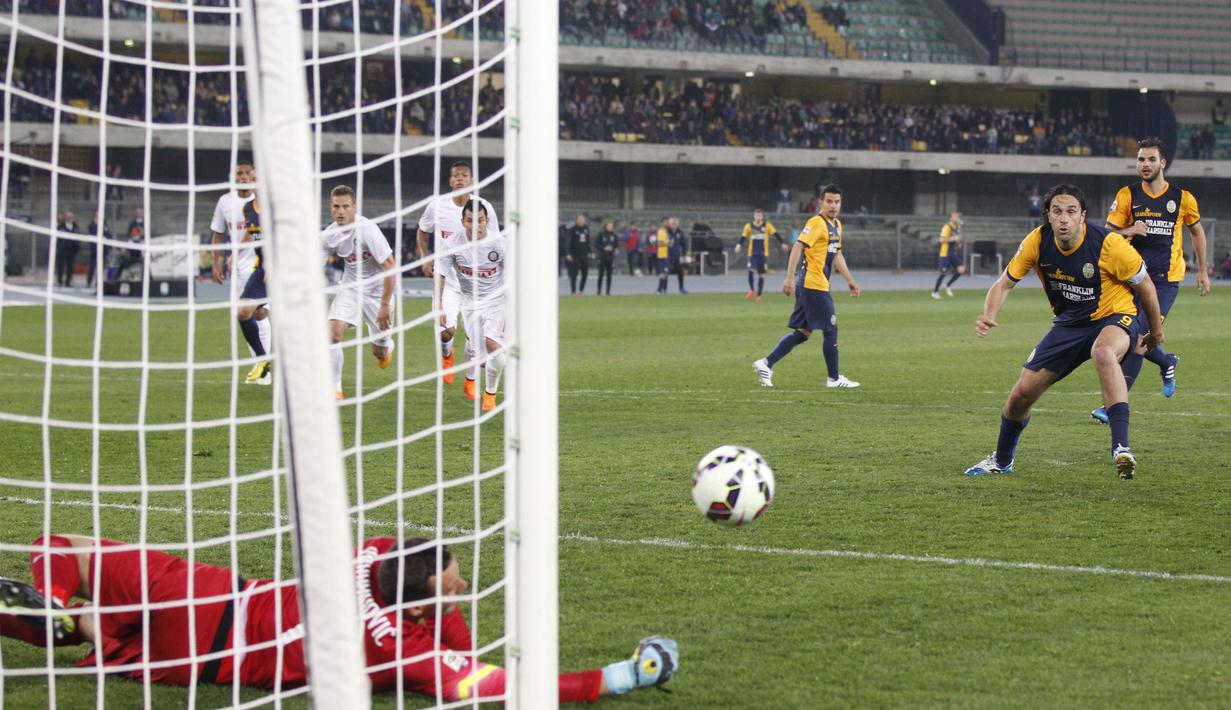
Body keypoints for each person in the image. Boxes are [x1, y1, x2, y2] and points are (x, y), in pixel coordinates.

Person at [0, 534, 678, 702]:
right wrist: (616, 677)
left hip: (211, 591)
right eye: (451, 583)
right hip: (201, 659)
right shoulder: (398, 650)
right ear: (417, 604)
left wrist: (442, 611)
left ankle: (65, 611)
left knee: (60, 550)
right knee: (99, 624)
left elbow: (410, 581)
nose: (463, 583)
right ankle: (79, 625)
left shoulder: (375, 552)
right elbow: (491, 686)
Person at [964, 184, 1164, 480]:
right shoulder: (1038, 240)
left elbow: (1145, 286)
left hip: (1114, 315)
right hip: (1069, 324)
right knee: (1021, 395)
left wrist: (1156, 334)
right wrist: (989, 314)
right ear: (1047, 215)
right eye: (1057, 211)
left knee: (1103, 352)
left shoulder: (1109, 244)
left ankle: (1121, 448)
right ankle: (1002, 461)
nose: (1063, 219)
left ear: (1082, 215)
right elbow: (1003, 283)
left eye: (1071, 211)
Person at [1091, 137, 1209, 422]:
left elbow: (1197, 232)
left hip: (1166, 282)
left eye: (1150, 159)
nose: (1145, 165)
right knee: (1131, 337)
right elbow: (1107, 235)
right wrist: (1131, 228)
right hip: (1132, 279)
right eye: (1141, 160)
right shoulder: (1127, 195)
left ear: (1162, 163)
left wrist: (1203, 270)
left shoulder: (1183, 198)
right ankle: (1167, 361)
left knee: (1138, 339)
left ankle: (1113, 406)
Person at [753, 184, 861, 389]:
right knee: (831, 329)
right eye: (829, 201)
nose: (833, 205)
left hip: (815, 284)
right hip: (813, 284)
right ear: (821, 202)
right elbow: (798, 246)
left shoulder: (837, 224)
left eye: (837, 202)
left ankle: (766, 364)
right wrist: (788, 278)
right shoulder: (816, 222)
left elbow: (837, 254)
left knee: (803, 332)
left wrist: (849, 279)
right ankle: (834, 378)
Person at [416, 161, 501, 387]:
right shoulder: (437, 206)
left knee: (480, 343)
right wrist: (425, 258)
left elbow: (496, 244)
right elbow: (423, 232)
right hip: (449, 280)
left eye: (465, 175)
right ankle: (447, 355)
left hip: (477, 282)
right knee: (445, 332)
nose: (460, 179)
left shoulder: (484, 206)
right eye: (456, 176)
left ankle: (471, 377)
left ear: (471, 180)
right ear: (450, 180)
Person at [322, 185, 398, 400]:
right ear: (331, 207)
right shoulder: (329, 235)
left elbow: (390, 266)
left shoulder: (368, 230)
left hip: (378, 292)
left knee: (380, 352)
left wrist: (384, 305)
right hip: (351, 289)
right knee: (333, 334)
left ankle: (386, 347)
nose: (340, 211)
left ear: (354, 207)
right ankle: (334, 387)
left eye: (346, 206)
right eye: (336, 206)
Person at [441, 200, 506, 410]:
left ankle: (490, 395)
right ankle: (474, 369)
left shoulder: (500, 243)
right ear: (463, 222)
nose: (475, 226)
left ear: (487, 221)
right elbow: (440, 275)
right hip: (469, 303)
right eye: (470, 221)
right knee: (482, 360)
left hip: (497, 300)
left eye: (480, 221)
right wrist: (438, 306)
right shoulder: (452, 243)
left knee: (493, 346)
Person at [209, 160, 270, 361]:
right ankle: (261, 364)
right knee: (246, 314)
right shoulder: (227, 202)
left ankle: (262, 364)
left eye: (248, 174)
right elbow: (219, 233)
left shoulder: (265, 203)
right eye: (240, 173)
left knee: (259, 313)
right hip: (238, 268)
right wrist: (218, 261)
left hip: (262, 265)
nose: (243, 177)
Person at [235, 194, 273, 385]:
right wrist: (237, 252)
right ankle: (262, 361)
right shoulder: (248, 209)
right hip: (262, 270)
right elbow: (251, 232)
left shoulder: (279, 206)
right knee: (245, 312)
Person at [734, 208, 787, 302]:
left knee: (761, 274)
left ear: (762, 216)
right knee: (751, 270)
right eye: (756, 215)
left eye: (760, 215)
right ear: (754, 216)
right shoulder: (749, 226)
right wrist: (739, 245)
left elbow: (776, 234)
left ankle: (759, 295)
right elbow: (743, 237)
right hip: (752, 253)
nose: (758, 217)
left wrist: (782, 243)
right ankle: (751, 290)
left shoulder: (767, 226)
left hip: (763, 254)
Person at [931, 211, 966, 299]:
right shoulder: (946, 227)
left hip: (953, 253)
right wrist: (953, 238)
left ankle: (948, 284)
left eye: (958, 216)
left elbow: (959, 238)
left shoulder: (957, 227)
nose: (957, 218)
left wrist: (959, 241)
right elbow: (942, 240)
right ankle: (935, 292)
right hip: (945, 253)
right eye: (955, 217)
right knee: (943, 272)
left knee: (961, 269)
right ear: (951, 218)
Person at [564, 213, 591, 295]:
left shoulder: (586, 229)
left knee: (585, 273)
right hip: (575, 255)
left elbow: (587, 242)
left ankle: (581, 290)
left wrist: (591, 252)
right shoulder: (573, 229)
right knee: (574, 274)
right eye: (579, 219)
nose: (581, 220)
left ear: (584, 220)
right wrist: (568, 253)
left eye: (582, 219)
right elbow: (568, 242)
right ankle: (573, 291)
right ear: (577, 220)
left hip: (584, 255)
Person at [85, 211, 112, 289]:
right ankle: (89, 281)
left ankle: (98, 282)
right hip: (95, 249)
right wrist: (96, 225)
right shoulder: (91, 225)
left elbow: (108, 235)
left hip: (103, 250)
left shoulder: (105, 225)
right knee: (92, 266)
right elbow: (92, 235)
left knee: (101, 267)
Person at [54, 211, 81, 288]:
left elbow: (77, 237)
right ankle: (60, 280)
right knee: (60, 266)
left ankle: (68, 281)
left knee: (70, 266)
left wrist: (76, 246)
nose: (70, 219)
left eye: (71, 217)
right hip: (62, 249)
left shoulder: (75, 227)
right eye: (68, 217)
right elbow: (58, 238)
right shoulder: (61, 226)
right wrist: (60, 245)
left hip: (71, 250)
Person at [595, 219, 620, 296]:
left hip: (610, 257)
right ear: (605, 226)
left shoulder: (614, 235)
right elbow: (596, 245)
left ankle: (608, 291)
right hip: (602, 257)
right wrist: (604, 248)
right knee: (601, 274)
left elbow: (616, 245)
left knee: (609, 275)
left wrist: (615, 249)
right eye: (609, 226)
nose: (610, 227)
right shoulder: (601, 234)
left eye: (611, 226)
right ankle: (599, 291)